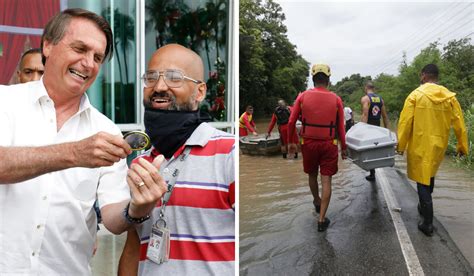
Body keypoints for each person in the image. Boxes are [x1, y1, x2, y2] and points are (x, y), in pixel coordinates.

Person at [0, 9, 166, 275]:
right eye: (80, 48)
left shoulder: (106, 130)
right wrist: (74, 153)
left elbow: (113, 218)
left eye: (97, 57)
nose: (88, 64)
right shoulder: (5, 101)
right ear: (48, 46)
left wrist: (138, 206)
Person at [118, 44, 235, 275]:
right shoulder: (140, 164)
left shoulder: (228, 154)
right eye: (151, 77)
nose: (159, 87)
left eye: (174, 78)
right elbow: (133, 246)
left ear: (199, 92)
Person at [397, 64, 468, 237]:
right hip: (439, 145)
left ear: (423, 76)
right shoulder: (450, 97)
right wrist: (462, 146)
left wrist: (401, 145)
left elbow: (405, 123)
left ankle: (427, 223)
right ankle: (423, 206)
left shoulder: (415, 95)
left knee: (423, 180)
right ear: (436, 76)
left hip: (420, 145)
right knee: (430, 175)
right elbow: (460, 124)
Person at [288, 64, 347, 232]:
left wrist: (290, 143)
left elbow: (291, 122)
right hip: (329, 144)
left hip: (308, 143)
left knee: (312, 175)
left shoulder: (302, 97)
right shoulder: (336, 99)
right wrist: (344, 147)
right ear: (328, 80)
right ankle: (321, 220)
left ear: (313, 79)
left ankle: (316, 200)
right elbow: (341, 127)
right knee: (326, 180)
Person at [360, 81, 390, 181]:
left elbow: (365, 114)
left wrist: (362, 130)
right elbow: (385, 117)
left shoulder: (365, 98)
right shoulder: (380, 99)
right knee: (375, 147)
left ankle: (372, 172)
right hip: (377, 126)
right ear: (374, 89)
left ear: (366, 88)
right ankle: (373, 172)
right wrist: (387, 131)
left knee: (368, 149)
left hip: (368, 127)